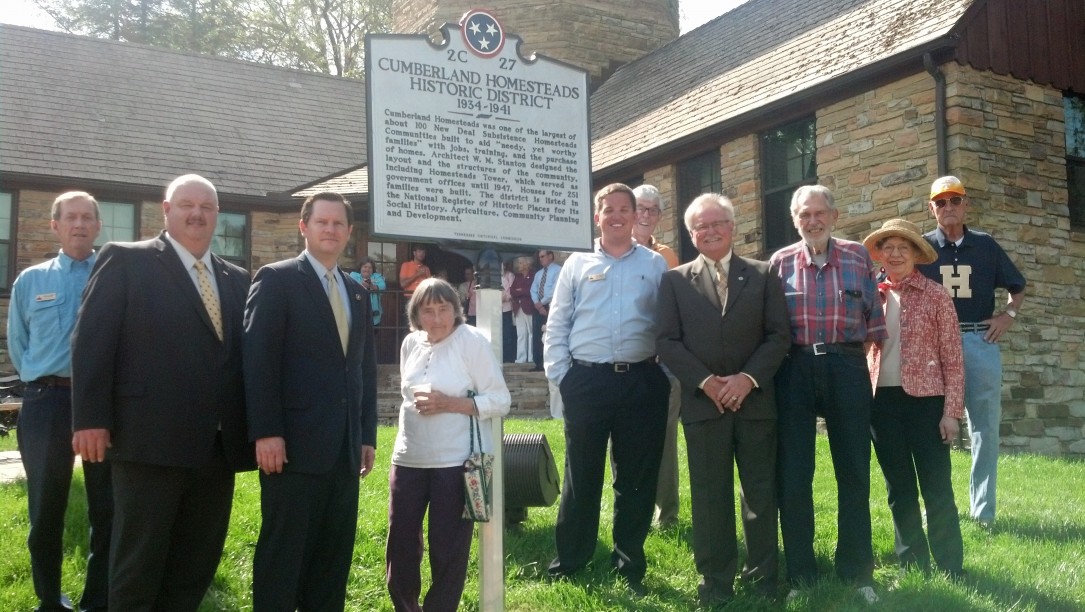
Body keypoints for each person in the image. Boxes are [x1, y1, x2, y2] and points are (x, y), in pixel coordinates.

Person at [71, 174, 254, 610]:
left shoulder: (237, 279)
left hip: (215, 449)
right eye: (186, 205)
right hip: (146, 444)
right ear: (166, 210)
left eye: (206, 207)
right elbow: (92, 341)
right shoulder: (125, 260)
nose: (197, 214)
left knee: (195, 566)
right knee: (138, 565)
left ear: (217, 215)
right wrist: (90, 418)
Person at [244, 192, 379, 610]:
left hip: (343, 452)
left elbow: (363, 371)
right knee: (284, 559)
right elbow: (258, 362)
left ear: (349, 232)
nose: (330, 230)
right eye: (322, 222)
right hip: (292, 451)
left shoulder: (356, 293)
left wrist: (366, 434)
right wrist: (266, 431)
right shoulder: (276, 280)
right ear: (304, 227)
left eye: (339, 224)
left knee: (331, 562)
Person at [656, 194, 791, 606]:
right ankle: (715, 581)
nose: (709, 231)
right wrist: (707, 382)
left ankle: (764, 577)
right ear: (691, 233)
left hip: (754, 404)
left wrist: (746, 380)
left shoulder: (764, 274)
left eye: (717, 223)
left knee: (760, 492)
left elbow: (778, 336)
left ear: (732, 226)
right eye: (700, 226)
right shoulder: (675, 280)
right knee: (710, 497)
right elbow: (666, 342)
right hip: (704, 406)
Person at [544, 183, 669, 596]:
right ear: (596, 217)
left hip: (641, 381)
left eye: (624, 209)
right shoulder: (576, 265)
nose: (616, 216)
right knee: (582, 474)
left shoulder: (654, 265)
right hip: (587, 381)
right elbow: (557, 323)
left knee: (635, 479)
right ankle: (572, 560)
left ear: (637, 216)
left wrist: (662, 374)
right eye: (607, 209)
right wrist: (563, 376)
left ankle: (629, 563)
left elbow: (669, 324)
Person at [768, 184, 885, 604]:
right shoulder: (778, 263)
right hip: (794, 369)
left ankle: (857, 571)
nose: (812, 221)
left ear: (834, 217)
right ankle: (801, 575)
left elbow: (875, 327)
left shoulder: (858, 257)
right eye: (804, 215)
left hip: (846, 365)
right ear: (794, 219)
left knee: (854, 470)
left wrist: (859, 370)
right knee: (794, 475)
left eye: (819, 213)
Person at [8, 191, 112, 612]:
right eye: (71, 218)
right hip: (45, 402)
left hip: (103, 406)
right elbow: (19, 346)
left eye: (88, 218)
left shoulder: (113, 275)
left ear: (98, 225)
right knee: (45, 510)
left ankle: (98, 600)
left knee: (106, 510)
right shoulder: (30, 281)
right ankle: (50, 600)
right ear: (55, 225)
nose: (80, 225)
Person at [386, 278, 511, 612]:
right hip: (408, 459)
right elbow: (406, 396)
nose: (437, 318)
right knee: (400, 546)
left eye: (444, 309)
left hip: (454, 464)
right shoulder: (410, 343)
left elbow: (500, 400)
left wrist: (449, 404)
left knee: (448, 550)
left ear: (457, 311)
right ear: (416, 314)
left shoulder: (472, 343)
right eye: (428, 311)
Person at [916, 176, 1026, 529]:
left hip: (979, 339)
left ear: (966, 204)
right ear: (931, 207)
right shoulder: (922, 248)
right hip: (935, 345)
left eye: (955, 200)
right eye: (941, 202)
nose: (948, 207)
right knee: (933, 426)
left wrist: (1007, 316)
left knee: (984, 428)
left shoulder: (985, 245)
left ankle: (983, 513)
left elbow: (1017, 287)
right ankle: (938, 507)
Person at [863, 218, 965, 578]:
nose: (894, 254)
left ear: (915, 254)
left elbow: (953, 358)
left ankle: (951, 565)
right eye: (887, 247)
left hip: (926, 403)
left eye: (902, 248)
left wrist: (951, 412)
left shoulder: (936, 295)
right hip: (882, 405)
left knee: (937, 487)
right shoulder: (870, 294)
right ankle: (912, 563)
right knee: (899, 488)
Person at [632, 184, 682, 528]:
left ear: (660, 217)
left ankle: (667, 515)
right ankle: (634, 508)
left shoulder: (668, 257)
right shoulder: (604, 252)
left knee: (665, 440)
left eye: (653, 210)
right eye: (640, 208)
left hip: (662, 361)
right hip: (624, 360)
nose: (646, 215)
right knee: (627, 439)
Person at [530, 249, 560, 371]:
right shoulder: (538, 274)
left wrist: (542, 304)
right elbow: (533, 290)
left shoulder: (558, 270)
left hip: (551, 305)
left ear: (550, 256)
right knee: (537, 335)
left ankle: (549, 362)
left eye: (543, 256)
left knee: (549, 334)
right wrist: (538, 305)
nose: (541, 259)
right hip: (538, 307)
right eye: (539, 257)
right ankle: (538, 363)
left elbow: (554, 290)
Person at [509, 257, 536, 364]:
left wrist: (519, 291)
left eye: (520, 263)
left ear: (527, 264)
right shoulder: (518, 277)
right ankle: (521, 358)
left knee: (531, 332)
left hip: (529, 307)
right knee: (521, 334)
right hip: (518, 307)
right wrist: (521, 292)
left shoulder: (533, 275)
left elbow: (530, 290)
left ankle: (531, 357)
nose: (518, 265)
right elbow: (512, 291)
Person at [352, 257, 386, 326]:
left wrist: (372, 286)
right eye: (365, 267)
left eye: (370, 267)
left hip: (374, 315)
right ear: (360, 268)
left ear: (373, 269)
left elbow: (383, 286)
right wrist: (362, 284)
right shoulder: (354, 275)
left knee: (373, 334)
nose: (367, 269)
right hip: (358, 313)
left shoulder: (377, 276)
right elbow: (351, 285)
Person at [500, 259, 517, 362]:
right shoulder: (495, 276)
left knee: (507, 334)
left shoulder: (510, 275)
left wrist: (505, 298)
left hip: (507, 308)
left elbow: (512, 291)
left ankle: (508, 357)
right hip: (496, 309)